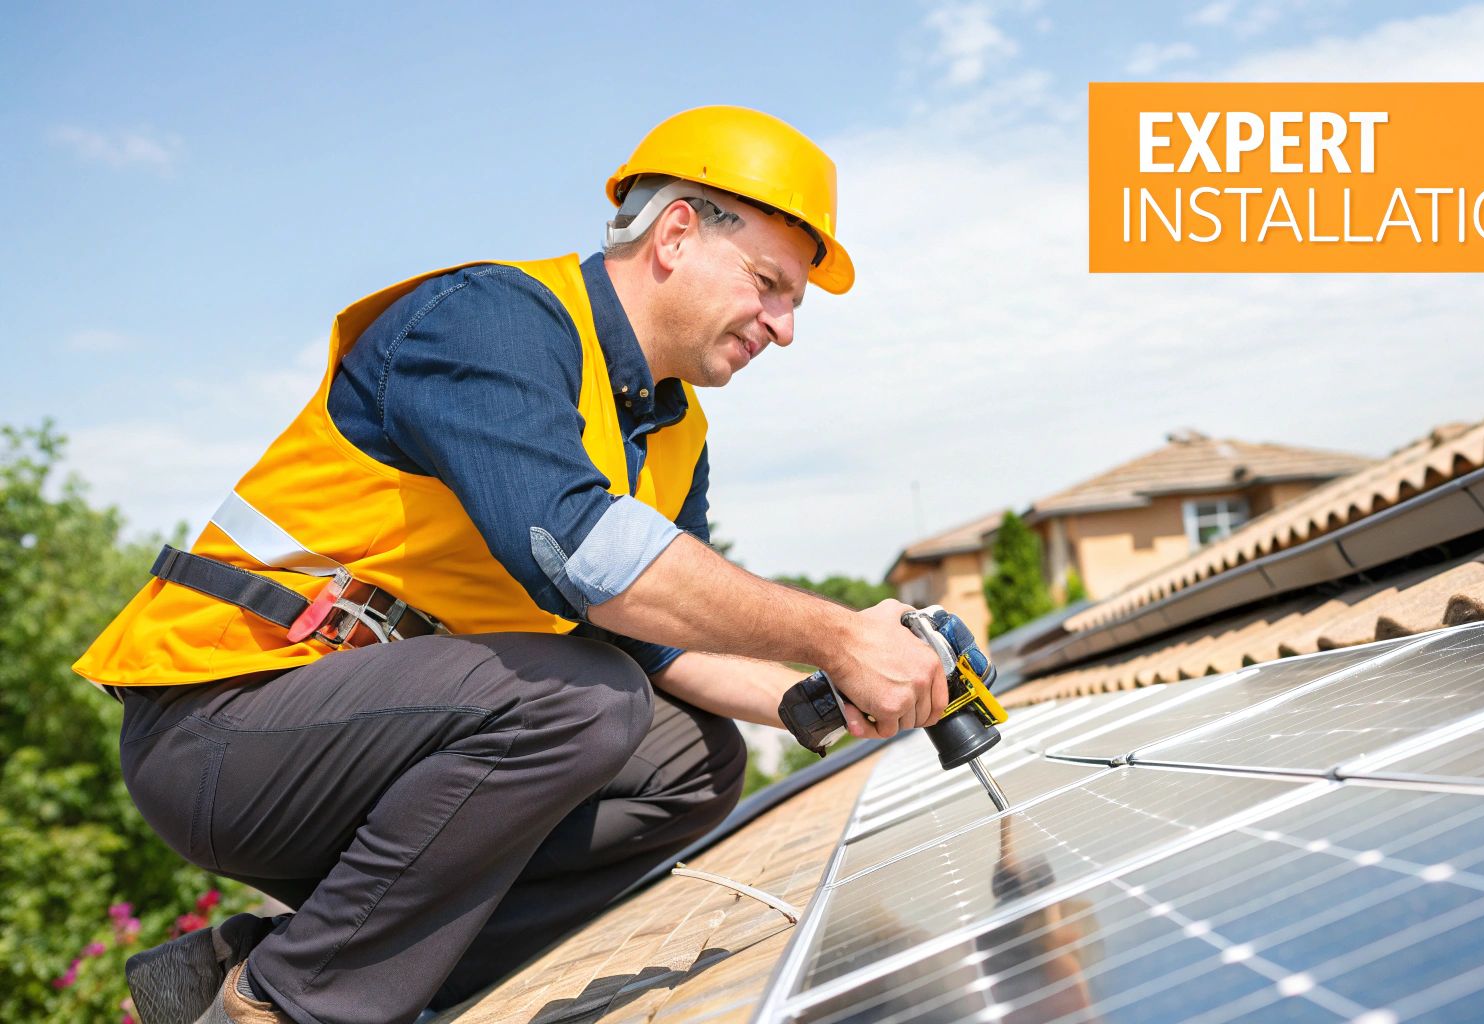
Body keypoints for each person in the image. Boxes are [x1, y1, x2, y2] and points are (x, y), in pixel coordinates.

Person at [72, 105, 947, 1024]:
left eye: (794, 303)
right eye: (769, 285)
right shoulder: (492, 320)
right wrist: (841, 635)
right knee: (587, 698)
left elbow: (656, 641)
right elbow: (580, 550)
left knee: (693, 760)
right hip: (220, 727)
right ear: (677, 234)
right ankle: (287, 1006)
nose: (784, 327)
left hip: (385, 742)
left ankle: (324, 968)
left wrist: (825, 696)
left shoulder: (673, 427)